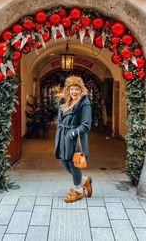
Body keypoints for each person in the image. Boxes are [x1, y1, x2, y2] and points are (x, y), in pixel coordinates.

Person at [54, 75, 92, 203]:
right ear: (68, 90)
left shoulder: (84, 103)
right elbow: (60, 118)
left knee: (72, 162)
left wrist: (74, 132)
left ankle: (78, 191)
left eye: (76, 89)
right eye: (72, 89)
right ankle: (84, 180)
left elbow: (86, 124)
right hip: (63, 135)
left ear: (81, 90)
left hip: (74, 137)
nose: (74, 92)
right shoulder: (65, 101)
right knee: (63, 161)